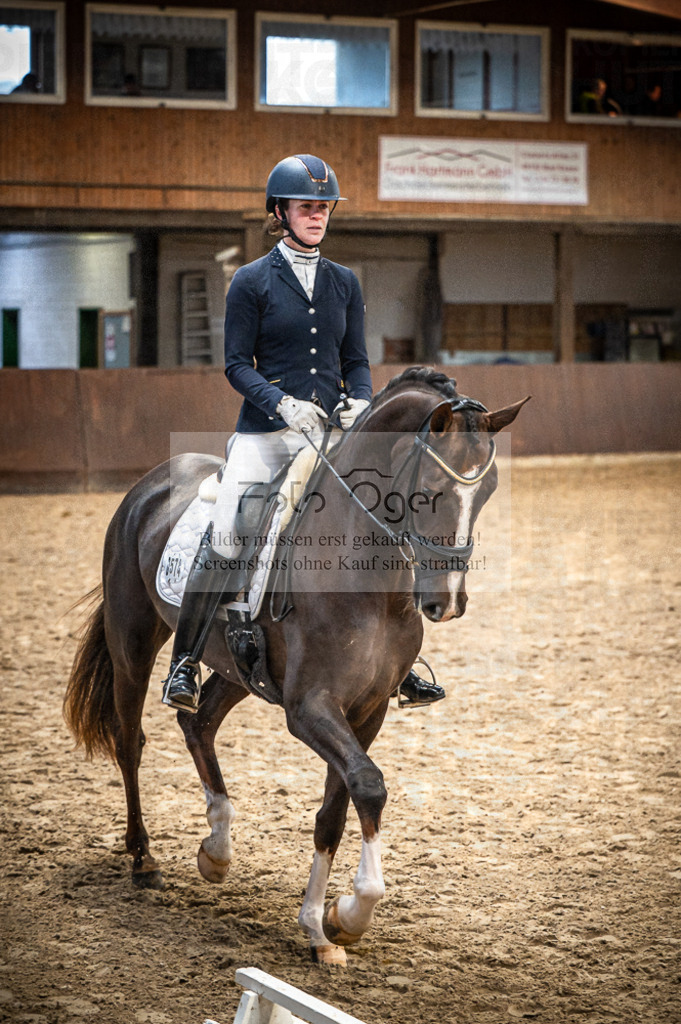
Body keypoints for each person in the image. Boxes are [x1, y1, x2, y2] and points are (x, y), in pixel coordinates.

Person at [161, 154, 445, 714]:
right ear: (280, 213)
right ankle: (185, 662)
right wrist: (282, 403)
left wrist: (359, 403)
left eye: (323, 208)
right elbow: (237, 365)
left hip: (333, 436)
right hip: (265, 436)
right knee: (231, 526)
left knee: (388, 513)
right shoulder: (251, 281)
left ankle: (399, 661)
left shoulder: (344, 282)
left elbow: (356, 360)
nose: (317, 216)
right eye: (306, 207)